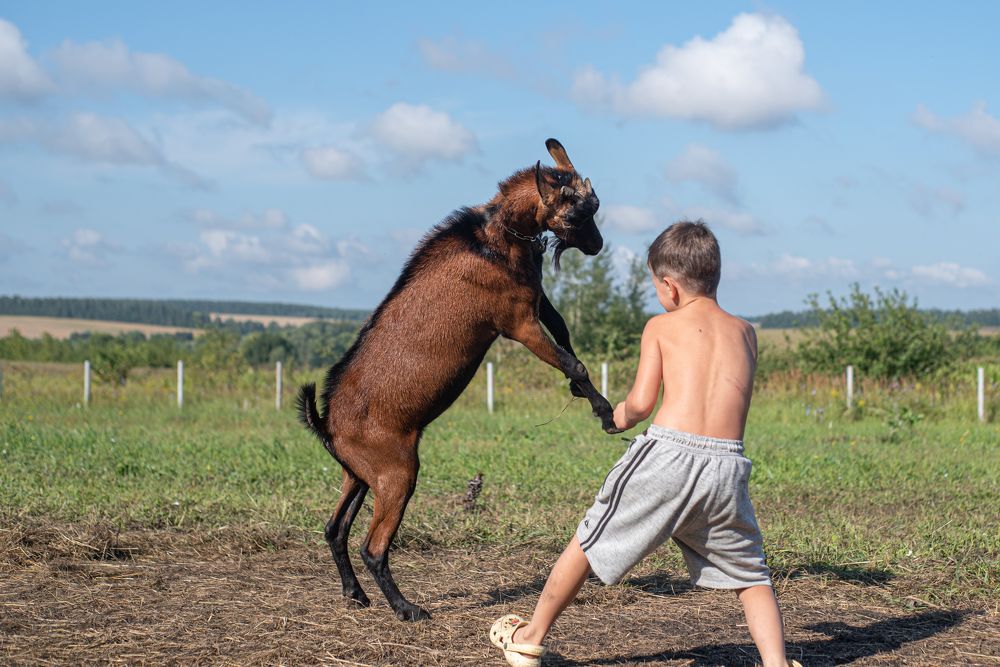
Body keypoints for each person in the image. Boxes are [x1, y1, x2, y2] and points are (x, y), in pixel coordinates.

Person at [489, 221, 800, 667]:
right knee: (751, 575)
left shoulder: (661, 327)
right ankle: (776, 664)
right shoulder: (746, 332)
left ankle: (529, 637)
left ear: (669, 286)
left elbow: (640, 403)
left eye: (656, 285)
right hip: (727, 466)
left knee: (588, 539)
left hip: (668, 456)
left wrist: (618, 416)